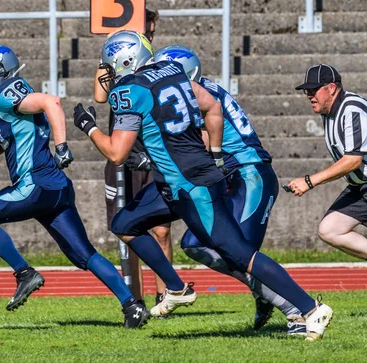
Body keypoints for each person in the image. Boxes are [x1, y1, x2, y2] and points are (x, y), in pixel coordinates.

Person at [73, 30, 333, 340]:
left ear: (127, 62)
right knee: (125, 223)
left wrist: (88, 126)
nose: (109, 74)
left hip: (189, 183)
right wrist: (217, 154)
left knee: (238, 253)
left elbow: (116, 152)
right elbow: (211, 106)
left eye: (111, 66)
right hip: (175, 179)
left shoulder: (131, 89)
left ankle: (309, 308)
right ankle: (175, 288)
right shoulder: (172, 72)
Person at [0, 43, 150, 329]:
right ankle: (132, 306)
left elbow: (52, 102)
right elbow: (22, 133)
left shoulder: (3, 94)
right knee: (84, 255)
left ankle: (24, 273)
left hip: (34, 185)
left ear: (1, 72)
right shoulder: (15, 93)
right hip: (56, 188)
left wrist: (62, 146)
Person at [154, 45, 307, 335]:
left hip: (250, 175)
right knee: (194, 243)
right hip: (234, 176)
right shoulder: (201, 90)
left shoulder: (196, 97)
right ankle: (269, 297)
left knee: (240, 254)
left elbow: (193, 140)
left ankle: (298, 310)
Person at [94, 9, 173, 305]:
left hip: (153, 154)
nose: (149, 38)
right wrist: (107, 51)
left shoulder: (158, 65)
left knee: (161, 230)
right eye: (145, 33)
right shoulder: (119, 64)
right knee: (126, 230)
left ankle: (167, 294)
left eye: (151, 33)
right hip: (123, 154)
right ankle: (135, 300)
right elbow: (100, 97)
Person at [286, 64, 367, 259]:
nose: (309, 95)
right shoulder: (328, 113)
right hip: (359, 186)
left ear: (331, 88)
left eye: (313, 90)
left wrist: (309, 181)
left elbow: (353, 161)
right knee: (330, 229)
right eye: (307, 91)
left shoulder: (352, 109)